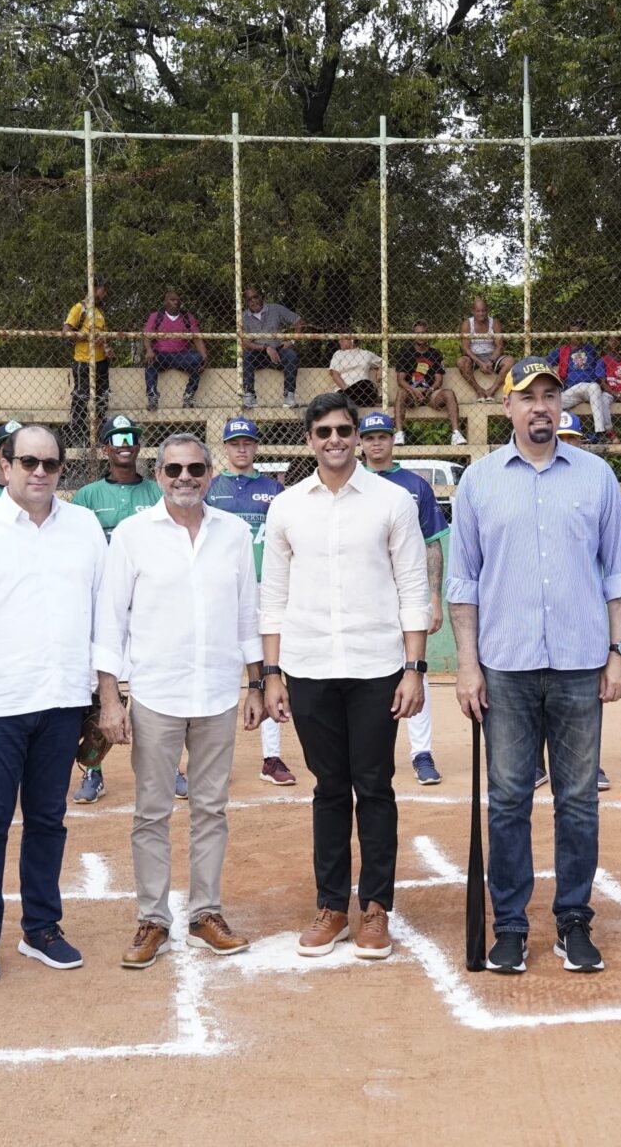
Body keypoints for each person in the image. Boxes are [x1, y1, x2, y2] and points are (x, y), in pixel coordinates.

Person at [449, 358, 621, 975]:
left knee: (578, 801)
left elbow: (618, 572)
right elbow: (463, 582)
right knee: (507, 799)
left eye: (550, 397)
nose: (540, 407)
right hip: (505, 666)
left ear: (564, 407)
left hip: (582, 663)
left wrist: (619, 652)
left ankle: (573, 921)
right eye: (528, 397)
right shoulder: (479, 482)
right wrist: (468, 667)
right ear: (507, 407)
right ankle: (508, 925)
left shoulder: (597, 475)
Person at [262, 391, 429, 960]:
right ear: (309, 440)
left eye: (343, 430)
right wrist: (272, 672)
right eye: (323, 431)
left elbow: (413, 587)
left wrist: (414, 668)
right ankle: (332, 905)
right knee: (329, 789)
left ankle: (376, 908)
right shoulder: (286, 507)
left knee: (375, 787)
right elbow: (273, 595)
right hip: (308, 667)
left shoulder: (392, 500)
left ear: (358, 435)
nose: (334, 439)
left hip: (377, 666)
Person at [0, 424, 106, 981]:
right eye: (28, 462)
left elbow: (101, 613)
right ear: (3, 463)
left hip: (61, 699)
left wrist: (100, 694)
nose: (40, 472)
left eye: (51, 464)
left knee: (48, 819)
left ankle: (41, 928)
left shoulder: (83, 527)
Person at [94, 433, 261, 969]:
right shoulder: (133, 535)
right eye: (173, 471)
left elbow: (247, 614)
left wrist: (256, 682)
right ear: (158, 474)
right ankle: (153, 918)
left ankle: (205, 912)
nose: (185, 479)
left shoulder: (233, 533)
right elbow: (110, 618)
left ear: (210, 474)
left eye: (195, 470)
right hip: (156, 693)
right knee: (152, 811)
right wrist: (109, 697)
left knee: (211, 807)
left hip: (216, 691)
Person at [65, 413, 163, 806]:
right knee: (98, 694)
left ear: (139, 445)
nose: (125, 442)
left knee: (153, 686)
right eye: (116, 437)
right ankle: (94, 771)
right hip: (103, 604)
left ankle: (166, 766)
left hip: (150, 605)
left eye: (131, 436)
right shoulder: (87, 497)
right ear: (105, 447)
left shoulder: (157, 491)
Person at [358, 412, 452, 785]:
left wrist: (434, 598)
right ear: (360, 442)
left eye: (382, 436)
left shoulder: (415, 485)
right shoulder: (351, 482)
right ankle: (369, 752)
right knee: (366, 676)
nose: (375, 443)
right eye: (369, 437)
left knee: (416, 671)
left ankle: (421, 752)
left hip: (408, 592)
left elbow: (432, 545)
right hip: (366, 595)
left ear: (392, 440)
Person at [207, 417, 295, 787]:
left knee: (270, 672)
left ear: (256, 446)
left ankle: (271, 757)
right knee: (221, 672)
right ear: (225, 448)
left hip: (265, 590)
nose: (241, 448)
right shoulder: (211, 489)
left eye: (247, 442)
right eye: (234, 443)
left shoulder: (275, 490)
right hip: (222, 591)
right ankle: (212, 759)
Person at [391, 321, 464, 444]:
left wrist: (430, 389)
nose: (421, 336)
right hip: (412, 394)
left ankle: (456, 434)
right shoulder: (405, 353)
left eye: (424, 333)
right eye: (418, 333)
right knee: (401, 393)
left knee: (449, 393)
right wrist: (413, 390)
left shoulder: (435, 354)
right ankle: (399, 434)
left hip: (431, 394)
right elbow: (400, 380)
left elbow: (438, 380)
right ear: (413, 335)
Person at [141, 290, 208, 410]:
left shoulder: (187, 317)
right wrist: (149, 350)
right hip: (161, 354)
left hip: (180, 355)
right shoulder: (156, 316)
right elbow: (147, 336)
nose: (176, 302)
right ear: (165, 302)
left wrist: (204, 357)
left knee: (197, 360)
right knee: (150, 361)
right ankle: (152, 397)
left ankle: (189, 396)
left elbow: (197, 339)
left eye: (178, 300)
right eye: (172, 300)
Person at [238, 287, 304, 409]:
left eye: (255, 297)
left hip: (278, 352)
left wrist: (292, 341)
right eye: (249, 299)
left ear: (261, 297)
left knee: (291, 355)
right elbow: (245, 342)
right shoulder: (242, 317)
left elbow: (299, 321)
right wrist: (265, 348)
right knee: (246, 354)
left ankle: (289, 396)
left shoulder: (275, 309)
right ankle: (249, 396)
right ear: (246, 302)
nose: (254, 301)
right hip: (258, 353)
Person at [64, 283, 113, 444]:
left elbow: (102, 335)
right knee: (82, 395)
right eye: (102, 290)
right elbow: (66, 331)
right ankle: (77, 433)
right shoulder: (79, 308)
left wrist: (106, 346)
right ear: (93, 289)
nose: (104, 294)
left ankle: (101, 433)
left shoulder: (99, 312)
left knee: (102, 396)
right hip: (84, 360)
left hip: (101, 361)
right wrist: (87, 336)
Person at [553, 324, 617, 439]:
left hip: (589, 389)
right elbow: (545, 362)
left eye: (580, 332)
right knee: (551, 403)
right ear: (568, 335)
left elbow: (604, 363)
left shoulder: (590, 349)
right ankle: (559, 436)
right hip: (571, 390)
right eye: (574, 333)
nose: (577, 335)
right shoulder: (563, 350)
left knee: (594, 387)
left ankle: (599, 433)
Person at [455, 297, 512, 402]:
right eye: (478, 311)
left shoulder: (494, 323)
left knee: (510, 361)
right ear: (473, 311)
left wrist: (491, 361)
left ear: (487, 310)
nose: (481, 313)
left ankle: (491, 391)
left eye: (483, 310)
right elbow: (465, 348)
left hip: (492, 355)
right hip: (474, 357)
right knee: (461, 361)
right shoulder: (467, 324)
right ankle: (479, 391)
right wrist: (480, 363)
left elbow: (499, 346)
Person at [325, 332, 386, 408]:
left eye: (342, 339)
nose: (339, 341)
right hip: (344, 390)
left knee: (365, 384)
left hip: (363, 389)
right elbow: (334, 374)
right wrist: (347, 390)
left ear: (352, 340)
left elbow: (383, 361)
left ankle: (353, 402)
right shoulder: (338, 354)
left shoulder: (366, 354)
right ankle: (357, 402)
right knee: (363, 387)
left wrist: (380, 371)